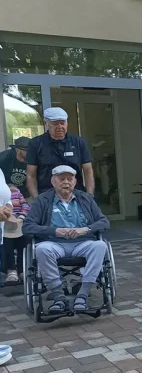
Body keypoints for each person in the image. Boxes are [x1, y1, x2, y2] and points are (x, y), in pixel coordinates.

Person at [22, 165, 110, 313]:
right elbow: (27, 227)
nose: (66, 182)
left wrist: (85, 229)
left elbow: (104, 222)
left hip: (82, 242)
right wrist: (55, 231)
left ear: (75, 182)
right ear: (53, 181)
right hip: (54, 243)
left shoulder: (85, 198)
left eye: (70, 179)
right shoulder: (42, 200)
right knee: (42, 249)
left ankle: (82, 295)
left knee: (100, 246)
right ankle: (59, 297)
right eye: (61, 179)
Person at [26, 108, 94, 198]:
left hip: (75, 194)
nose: (60, 127)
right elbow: (31, 175)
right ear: (46, 123)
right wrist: (37, 199)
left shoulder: (78, 142)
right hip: (46, 195)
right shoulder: (36, 144)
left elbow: (88, 171)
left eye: (62, 123)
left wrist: (89, 196)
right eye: (55, 123)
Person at [2, 184, 30, 284]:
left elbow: (26, 206)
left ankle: (22, 270)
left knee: (23, 246)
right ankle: (11, 270)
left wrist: (21, 217)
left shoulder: (17, 193)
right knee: (7, 247)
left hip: (19, 224)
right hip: (5, 226)